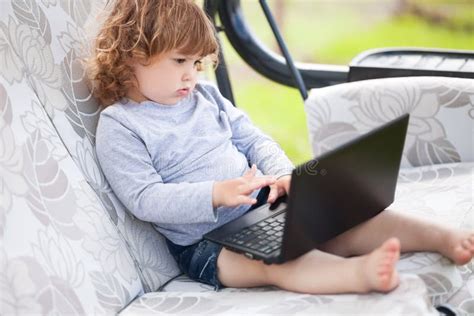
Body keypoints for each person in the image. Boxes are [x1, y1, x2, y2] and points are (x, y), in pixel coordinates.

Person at [89, 0, 474, 294]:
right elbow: (145, 198)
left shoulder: (204, 97)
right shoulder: (121, 125)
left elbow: (254, 139)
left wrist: (283, 174)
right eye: (179, 61)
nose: (192, 73)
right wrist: (215, 195)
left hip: (262, 209)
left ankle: (442, 237)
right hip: (206, 245)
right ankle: (357, 274)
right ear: (134, 55)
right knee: (274, 264)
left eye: (197, 61)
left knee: (348, 216)